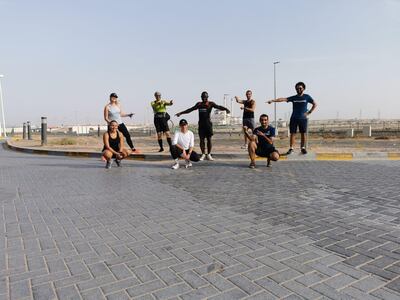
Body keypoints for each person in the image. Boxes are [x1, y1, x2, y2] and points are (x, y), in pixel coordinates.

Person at [175, 91, 230, 161]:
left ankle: (209, 154)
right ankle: (203, 154)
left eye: (205, 97)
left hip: (208, 125)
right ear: (201, 97)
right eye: (203, 97)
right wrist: (181, 113)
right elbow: (190, 109)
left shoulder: (210, 103)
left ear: (207, 97)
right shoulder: (199, 104)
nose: (204, 98)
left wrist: (226, 109)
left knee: (209, 140)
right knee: (201, 140)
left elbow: (219, 106)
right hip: (201, 125)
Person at [267, 82, 317, 154]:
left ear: (303, 88)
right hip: (294, 118)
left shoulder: (307, 97)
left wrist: (309, 112)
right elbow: (283, 99)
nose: (298, 89)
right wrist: (272, 100)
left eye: (300, 88)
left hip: (303, 119)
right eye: (297, 88)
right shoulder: (294, 97)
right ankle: (291, 148)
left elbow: (315, 104)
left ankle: (303, 148)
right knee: (292, 133)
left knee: (303, 133)